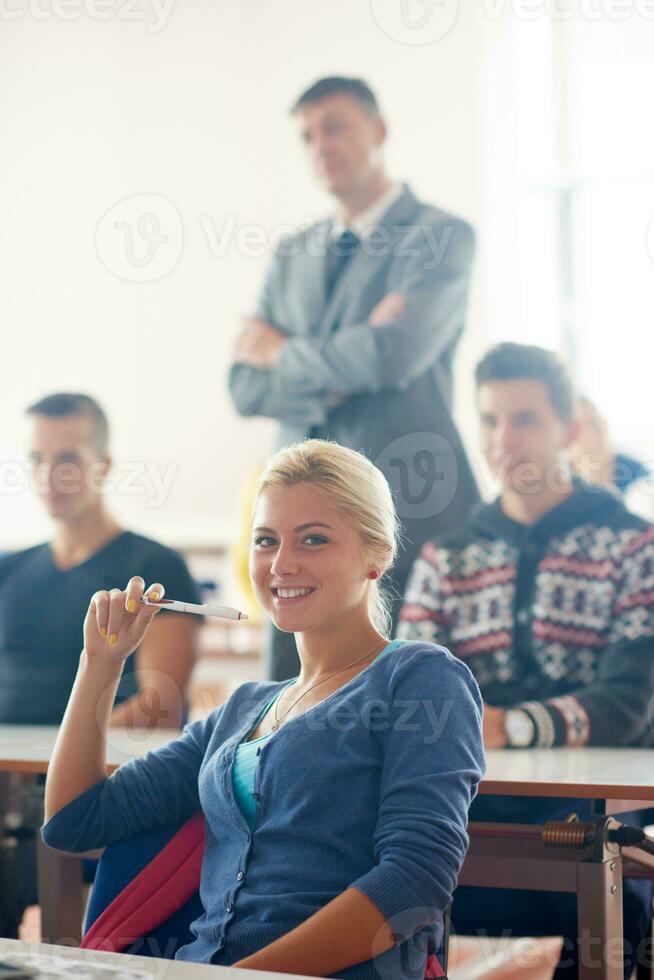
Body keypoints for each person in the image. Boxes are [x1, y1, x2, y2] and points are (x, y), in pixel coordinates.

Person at [42, 440, 485, 978]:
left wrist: (243, 977)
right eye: (265, 540)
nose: (282, 563)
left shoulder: (419, 677)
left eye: (314, 539)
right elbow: (73, 821)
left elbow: (414, 880)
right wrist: (101, 665)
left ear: (378, 555)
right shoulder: (244, 708)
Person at [397, 343, 654, 977]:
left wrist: (510, 724)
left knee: (622, 910)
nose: (503, 439)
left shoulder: (634, 545)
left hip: (592, 812)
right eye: (489, 420)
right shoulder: (444, 558)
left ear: (569, 427)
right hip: (468, 800)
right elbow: (409, 693)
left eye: (525, 419)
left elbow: (629, 700)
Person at [229, 76, 479, 681]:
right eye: (308, 135)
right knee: (290, 706)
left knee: (412, 703)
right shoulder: (292, 254)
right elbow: (244, 387)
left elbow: (392, 356)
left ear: (380, 129)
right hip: (294, 509)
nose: (321, 144)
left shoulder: (439, 235)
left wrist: (282, 350)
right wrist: (347, 358)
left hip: (408, 498)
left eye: (335, 126)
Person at [0, 393, 200, 938]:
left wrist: (56, 751)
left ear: (104, 466)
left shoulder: (152, 567)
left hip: (76, 781)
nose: (50, 476)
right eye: (38, 460)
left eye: (67, 459)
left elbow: (160, 705)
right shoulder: (8, 568)